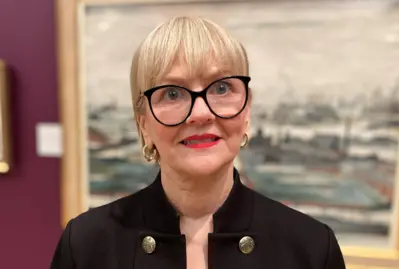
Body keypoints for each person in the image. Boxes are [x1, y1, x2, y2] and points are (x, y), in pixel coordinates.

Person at [51, 16, 346, 269]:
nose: (200, 113)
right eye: (172, 93)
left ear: (246, 111)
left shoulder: (313, 249)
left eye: (221, 87)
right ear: (143, 123)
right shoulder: (86, 245)